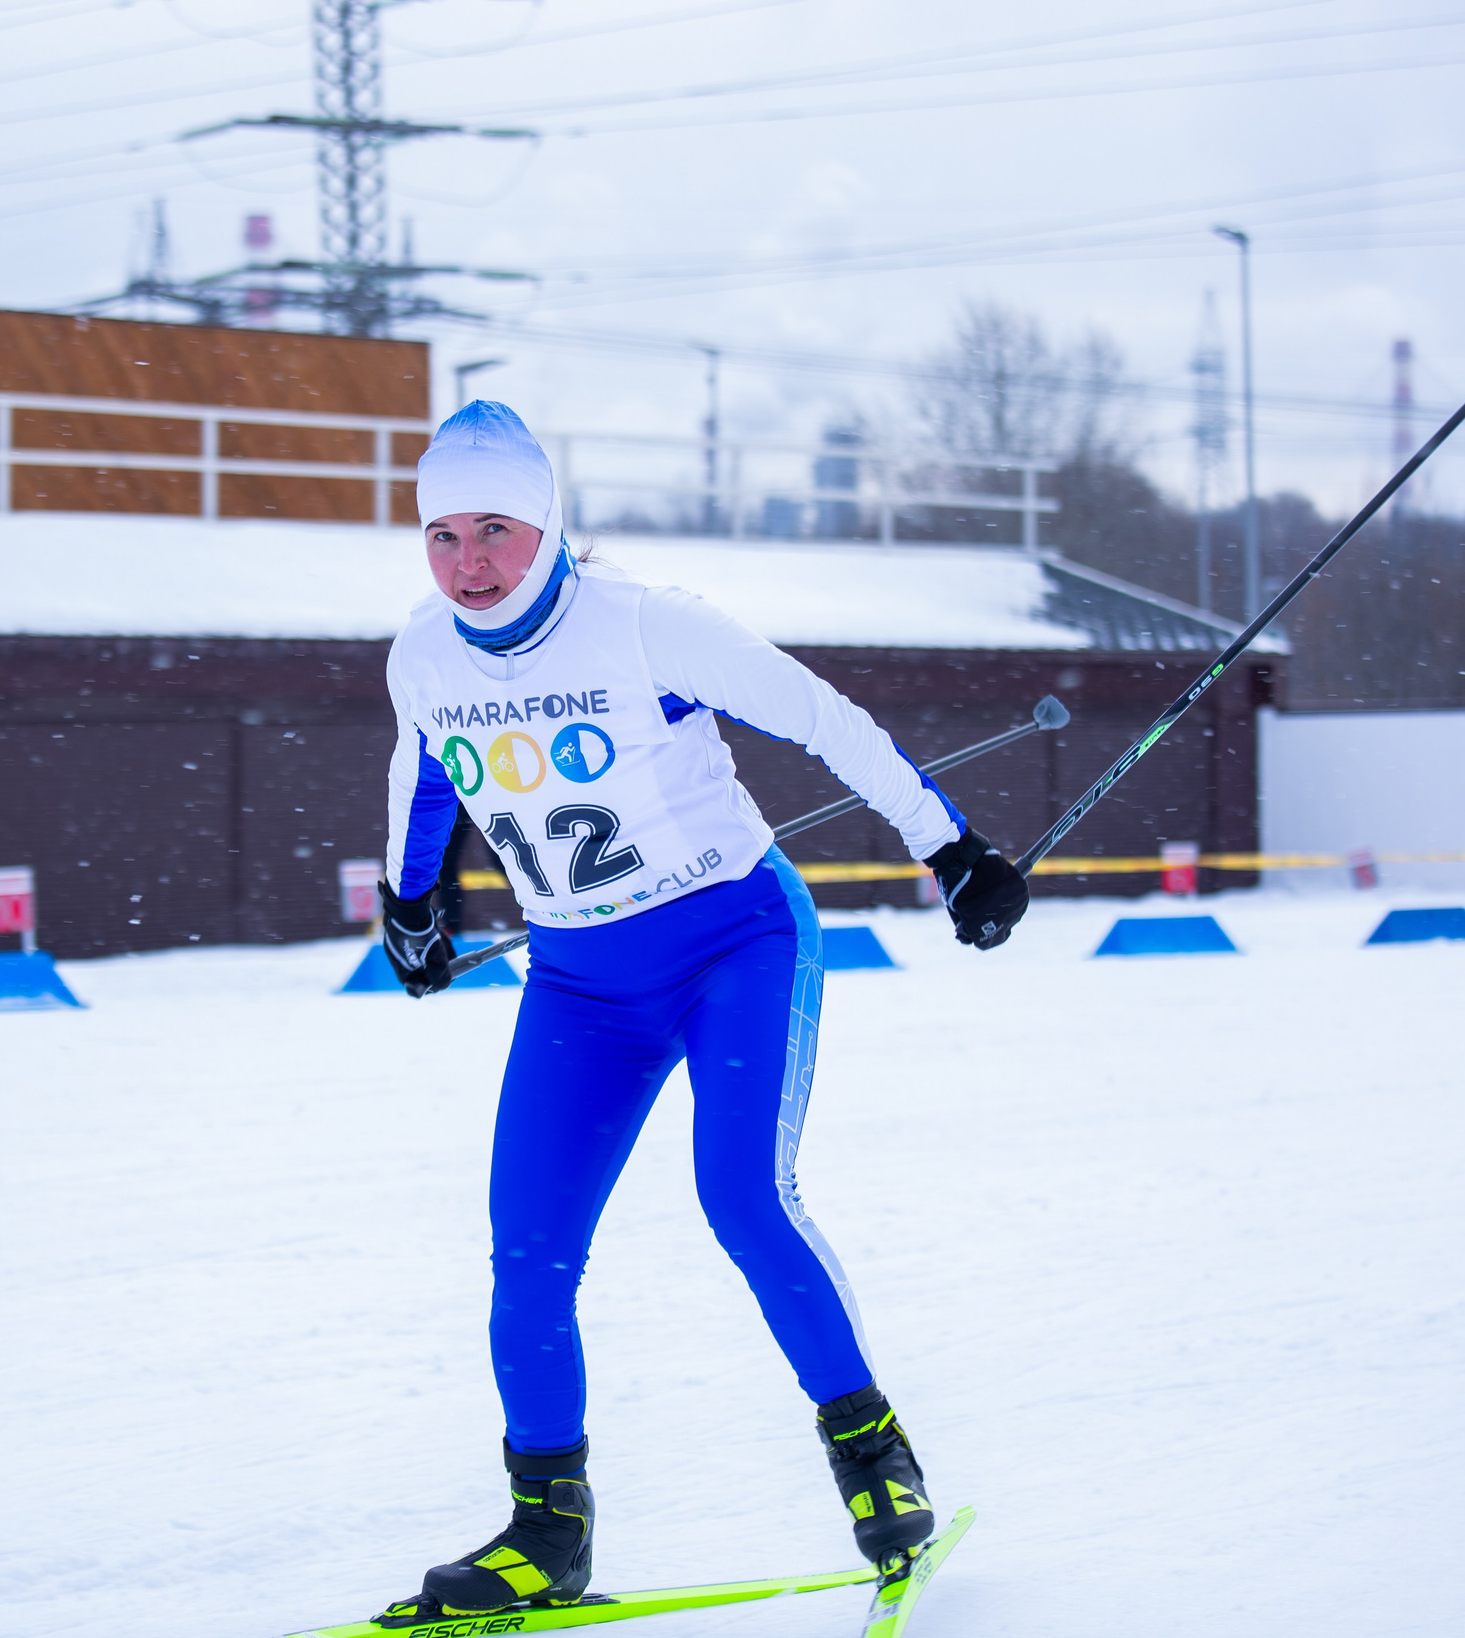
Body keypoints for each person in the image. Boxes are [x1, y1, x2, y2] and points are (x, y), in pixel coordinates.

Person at [373, 403, 1029, 1616]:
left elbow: (827, 720)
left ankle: (873, 1459)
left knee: (740, 1197)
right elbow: (421, 765)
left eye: (497, 531)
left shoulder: (641, 624)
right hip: (577, 981)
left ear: (549, 522)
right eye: (444, 535)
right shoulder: (424, 652)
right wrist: (410, 901)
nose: (470, 563)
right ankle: (546, 1531)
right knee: (525, 1254)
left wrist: (952, 849)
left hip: (734, 941)